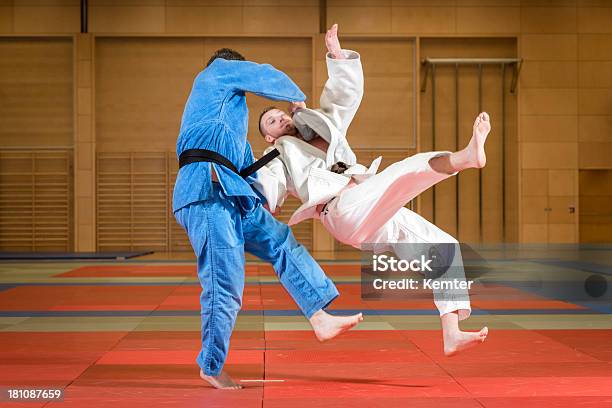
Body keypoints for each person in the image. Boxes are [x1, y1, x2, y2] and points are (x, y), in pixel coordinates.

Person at [255, 24, 488, 356]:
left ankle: (452, 333)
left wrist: (336, 54)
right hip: (341, 210)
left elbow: (344, 97)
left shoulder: (324, 126)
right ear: (268, 137)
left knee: (444, 246)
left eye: (280, 114)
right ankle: (464, 158)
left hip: (367, 204)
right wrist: (262, 203)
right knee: (403, 172)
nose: (280, 120)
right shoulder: (276, 154)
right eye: (271, 123)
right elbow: (268, 183)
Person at [173, 47, 362, 389]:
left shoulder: (231, 113)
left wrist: (264, 196)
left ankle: (318, 316)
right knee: (225, 283)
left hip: (232, 193)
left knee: (280, 241)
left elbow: (247, 168)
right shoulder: (217, 72)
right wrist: (298, 101)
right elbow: (264, 75)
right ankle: (211, 365)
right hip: (206, 191)